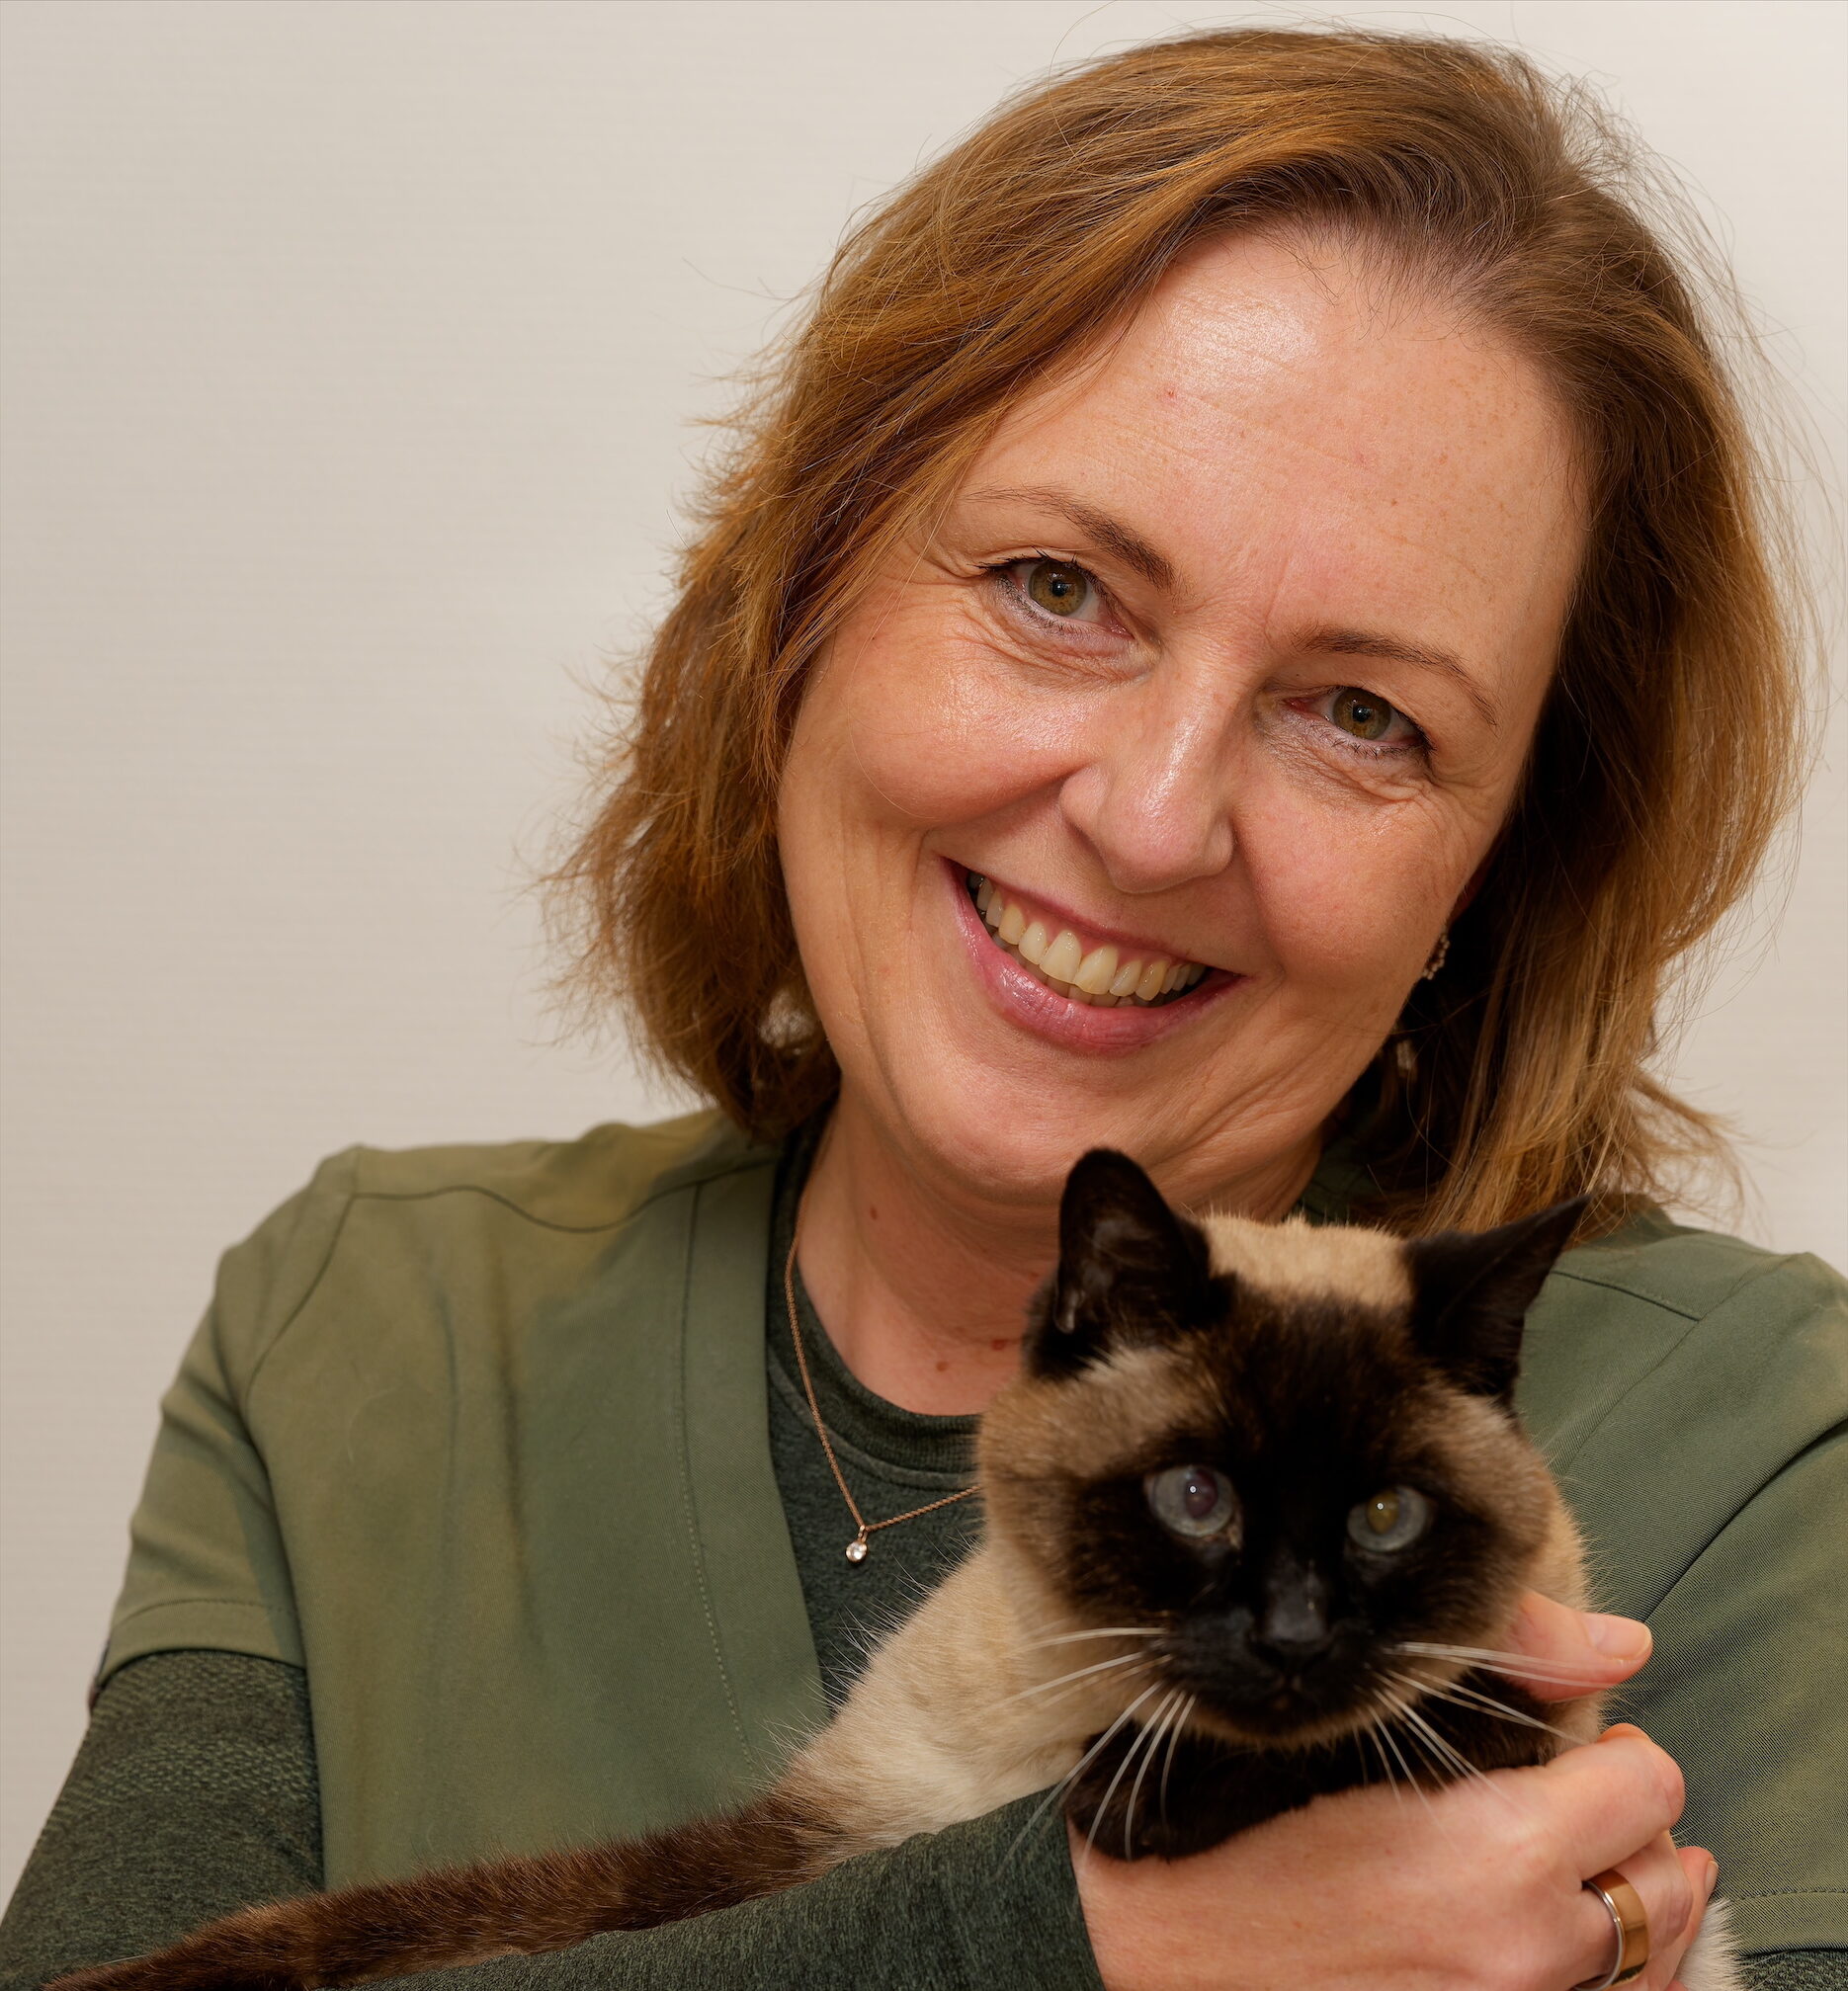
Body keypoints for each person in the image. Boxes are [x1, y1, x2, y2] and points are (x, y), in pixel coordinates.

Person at [3, 25, 1841, 1991]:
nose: (1146, 821)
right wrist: (1054, 1943)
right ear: (804, 593)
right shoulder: (361, 1325)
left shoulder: (1759, 1450)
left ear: (1491, 858)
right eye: (1059, 586)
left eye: (1362, 715)